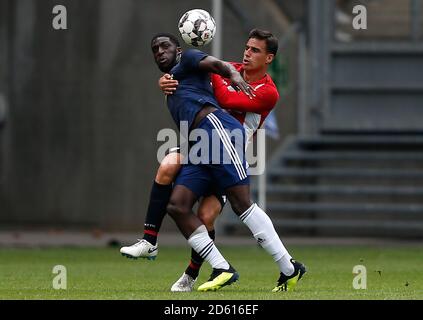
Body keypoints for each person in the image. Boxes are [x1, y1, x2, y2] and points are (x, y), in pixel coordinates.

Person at [122, 31, 306, 292]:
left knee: (224, 209)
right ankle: (161, 245)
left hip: (229, 141)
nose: (247, 53)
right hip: (203, 141)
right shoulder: (229, 69)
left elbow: (226, 99)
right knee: (176, 198)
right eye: (247, 47)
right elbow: (195, 76)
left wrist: (198, 71)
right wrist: (167, 79)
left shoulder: (268, 92)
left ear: (269, 58)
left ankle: (285, 266)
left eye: (255, 50)